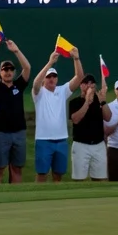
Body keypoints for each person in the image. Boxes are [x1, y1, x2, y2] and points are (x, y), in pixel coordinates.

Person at [31, 47, 83, 183]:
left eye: (54, 76)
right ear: (44, 79)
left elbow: (79, 78)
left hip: (61, 140)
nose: (51, 79)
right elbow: (36, 83)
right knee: (42, 174)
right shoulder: (39, 93)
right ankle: (38, 200)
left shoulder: (62, 91)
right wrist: (50, 63)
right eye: (48, 77)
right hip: (43, 140)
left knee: (58, 174)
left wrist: (76, 59)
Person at [0, 39, 31, 184]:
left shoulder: (18, 85)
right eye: (5, 69)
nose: (8, 72)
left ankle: (17, 198)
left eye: (11, 69)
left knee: (17, 168)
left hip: (19, 132)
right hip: (0, 133)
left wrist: (16, 50)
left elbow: (27, 68)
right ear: (0, 72)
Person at [68, 74, 108, 182]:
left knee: (100, 178)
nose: (89, 86)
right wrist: (87, 102)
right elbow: (75, 119)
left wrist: (103, 102)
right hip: (81, 144)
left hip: (98, 144)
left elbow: (108, 117)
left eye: (91, 83)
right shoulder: (74, 102)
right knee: (79, 178)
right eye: (86, 83)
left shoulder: (99, 100)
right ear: (81, 85)